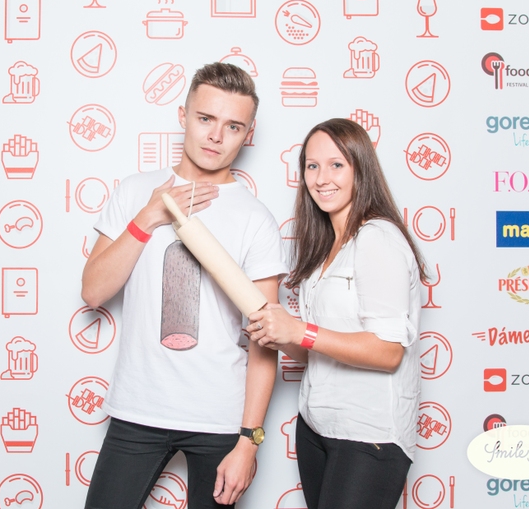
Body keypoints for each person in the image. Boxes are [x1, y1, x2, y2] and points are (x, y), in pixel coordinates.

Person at [81, 62, 287, 509]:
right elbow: (93, 292)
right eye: (205, 118)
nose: (216, 136)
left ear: (248, 134)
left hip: (218, 418)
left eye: (233, 126)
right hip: (138, 408)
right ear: (183, 116)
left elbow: (265, 341)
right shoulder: (136, 192)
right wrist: (148, 218)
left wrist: (249, 441)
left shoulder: (256, 219)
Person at [247, 118, 425, 509]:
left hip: (368, 435)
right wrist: (279, 335)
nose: (321, 178)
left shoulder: (377, 238)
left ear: (361, 169)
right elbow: (317, 351)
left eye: (336, 165)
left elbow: (388, 352)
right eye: (312, 166)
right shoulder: (326, 246)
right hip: (317, 428)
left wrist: (300, 331)